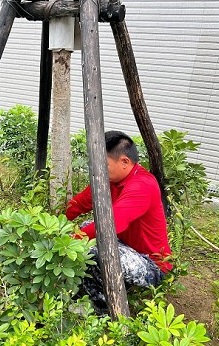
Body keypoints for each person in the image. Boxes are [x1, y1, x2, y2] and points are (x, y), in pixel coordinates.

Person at [66, 130, 172, 311]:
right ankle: (87, 291)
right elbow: (80, 203)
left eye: (103, 164)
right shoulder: (109, 180)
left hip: (151, 264)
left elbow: (110, 226)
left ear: (125, 162)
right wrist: (53, 225)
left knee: (94, 250)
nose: (97, 169)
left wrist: (68, 242)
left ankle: (102, 309)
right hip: (125, 246)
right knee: (86, 229)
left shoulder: (142, 185)